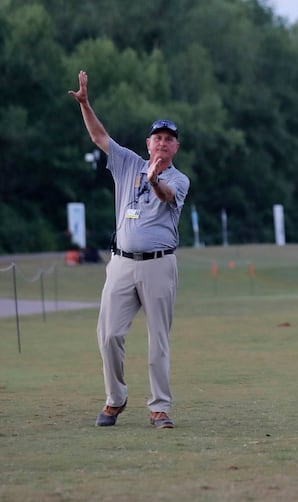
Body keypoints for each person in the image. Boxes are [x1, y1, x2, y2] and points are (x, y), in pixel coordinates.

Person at [69, 70, 190, 429]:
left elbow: (167, 196)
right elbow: (99, 136)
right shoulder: (127, 164)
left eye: (170, 139)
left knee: (158, 340)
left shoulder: (177, 179)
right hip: (121, 263)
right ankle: (115, 399)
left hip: (158, 265)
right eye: (158, 138)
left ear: (175, 148)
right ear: (148, 143)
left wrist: (155, 182)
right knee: (108, 334)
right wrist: (85, 104)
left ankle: (159, 408)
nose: (163, 143)